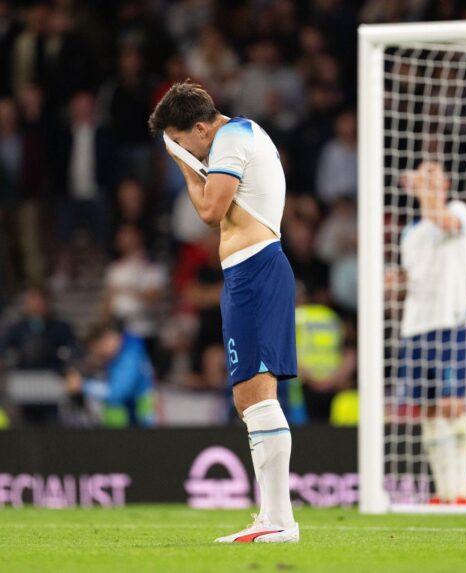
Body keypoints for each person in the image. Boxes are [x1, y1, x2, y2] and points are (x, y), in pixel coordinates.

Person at [149, 81, 298, 543]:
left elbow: (212, 211)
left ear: (199, 128)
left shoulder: (232, 137)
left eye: (180, 139)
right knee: (248, 398)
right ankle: (272, 516)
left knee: (259, 395)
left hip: (256, 270)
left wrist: (185, 166)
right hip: (244, 273)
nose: (179, 149)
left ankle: (279, 519)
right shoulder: (235, 139)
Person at [387, 161, 466, 505]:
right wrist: (395, 280)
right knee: (428, 409)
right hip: (416, 326)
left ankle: (462, 491)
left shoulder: (458, 211)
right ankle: (442, 492)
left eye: (433, 173)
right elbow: (413, 275)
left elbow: (444, 222)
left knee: (452, 405)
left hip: (450, 321)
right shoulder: (411, 232)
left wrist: (423, 191)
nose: (427, 178)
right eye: (423, 173)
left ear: (446, 182)